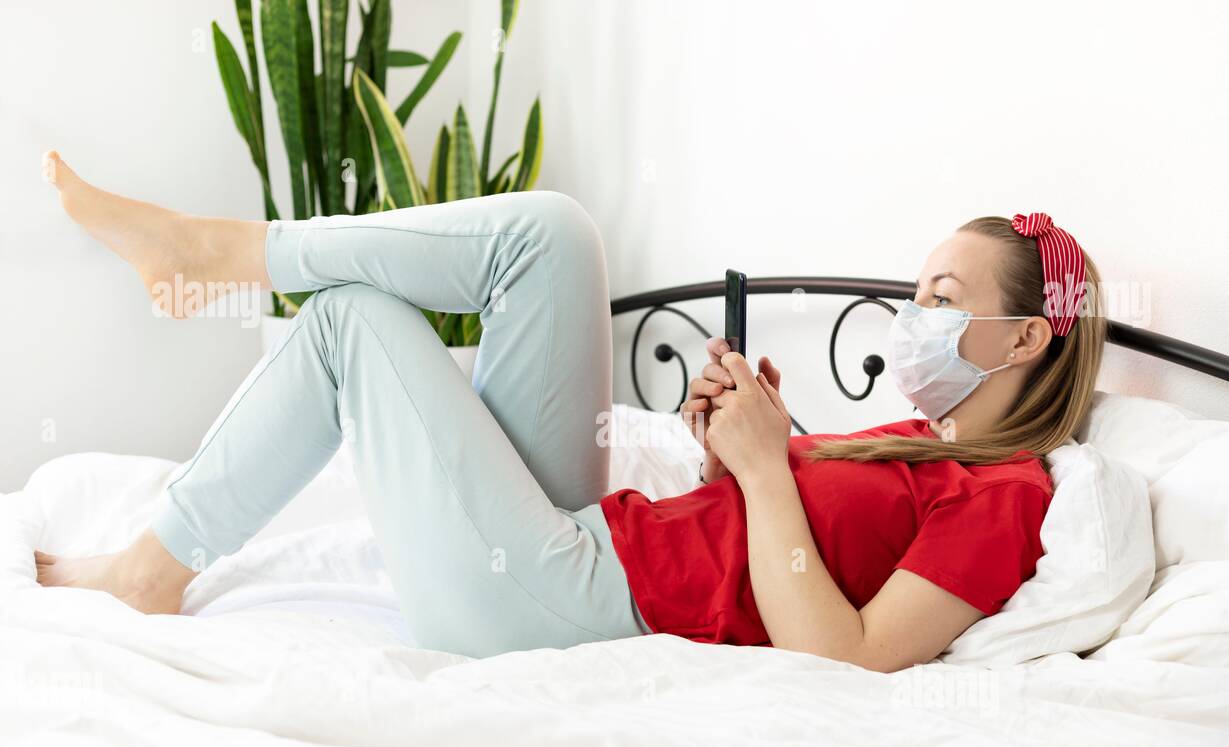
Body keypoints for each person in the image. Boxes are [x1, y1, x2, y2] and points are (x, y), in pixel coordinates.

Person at [36, 150, 1104, 671]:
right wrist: (733, 451)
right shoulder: (911, 442)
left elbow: (848, 656)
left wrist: (773, 473)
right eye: (916, 290)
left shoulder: (1005, 495)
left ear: (1025, 339)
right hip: (592, 541)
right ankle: (232, 249)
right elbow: (753, 555)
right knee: (553, 234)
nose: (910, 315)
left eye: (944, 300)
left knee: (352, 320)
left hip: (566, 606)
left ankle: (151, 563)